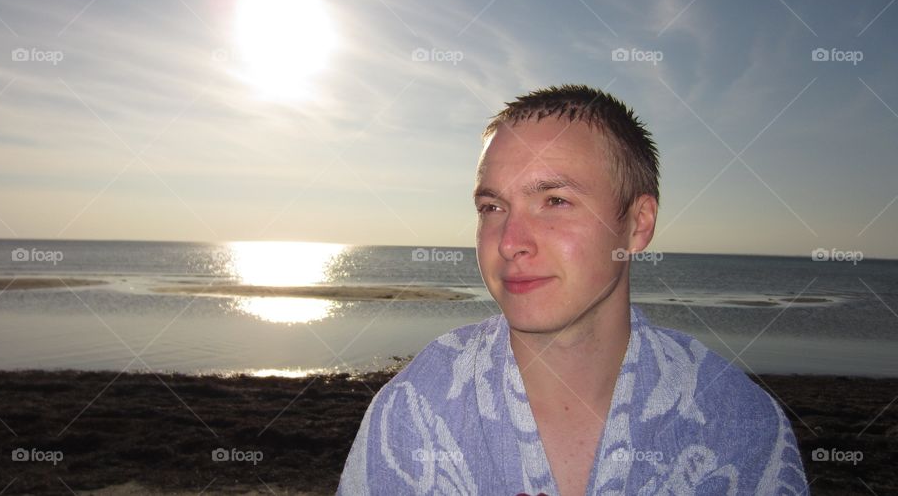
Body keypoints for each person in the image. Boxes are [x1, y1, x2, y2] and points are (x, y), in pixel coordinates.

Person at [338, 84, 808, 495]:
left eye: (555, 200)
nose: (510, 242)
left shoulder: (737, 423)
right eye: (492, 207)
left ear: (638, 224)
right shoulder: (414, 412)